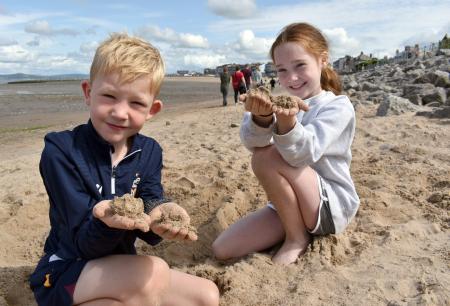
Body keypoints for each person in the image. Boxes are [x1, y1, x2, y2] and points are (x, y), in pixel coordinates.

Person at [29, 33, 219, 306]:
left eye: (136, 103)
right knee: (153, 272)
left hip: (123, 268)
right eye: (109, 96)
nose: (120, 112)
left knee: (206, 296)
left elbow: (151, 203)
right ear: (88, 93)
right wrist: (104, 220)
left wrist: (160, 214)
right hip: (66, 270)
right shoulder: (61, 151)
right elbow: (83, 241)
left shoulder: (149, 151)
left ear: (152, 110)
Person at [212, 22, 360, 265]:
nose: (291, 78)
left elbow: (303, 154)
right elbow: (252, 142)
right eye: (281, 70)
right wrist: (261, 117)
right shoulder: (280, 101)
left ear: (322, 60)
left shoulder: (338, 106)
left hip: (329, 206)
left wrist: (287, 120)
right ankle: (293, 226)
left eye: (300, 65)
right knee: (223, 249)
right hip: (289, 205)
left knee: (266, 157)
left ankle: (296, 238)